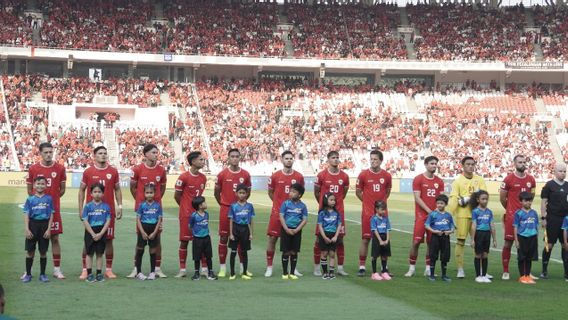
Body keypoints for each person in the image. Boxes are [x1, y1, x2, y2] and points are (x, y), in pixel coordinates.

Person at [78, 146, 123, 280]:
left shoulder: (113, 171)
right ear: (94, 156)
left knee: (109, 240)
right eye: (100, 153)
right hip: (91, 213)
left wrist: (119, 206)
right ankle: (85, 269)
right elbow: (81, 190)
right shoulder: (88, 172)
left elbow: (118, 189)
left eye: (105, 153)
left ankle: (108, 269)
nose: (103, 155)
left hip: (107, 213)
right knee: (88, 242)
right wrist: (80, 208)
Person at [25, 142, 67, 280]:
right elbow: (30, 191)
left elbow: (62, 190)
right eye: (46, 152)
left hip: (53, 211)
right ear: (40, 153)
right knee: (33, 241)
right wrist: (39, 204)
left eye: (51, 152)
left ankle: (56, 270)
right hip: (36, 213)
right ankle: (28, 272)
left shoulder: (60, 168)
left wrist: (50, 202)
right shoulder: (33, 168)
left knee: (55, 238)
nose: (49, 154)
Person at [127, 144, 167, 278]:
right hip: (142, 210)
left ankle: (157, 268)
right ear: (146, 154)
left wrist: (156, 201)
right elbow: (132, 188)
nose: (156, 154)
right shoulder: (137, 169)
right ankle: (136, 268)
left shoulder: (161, 170)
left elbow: (162, 188)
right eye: (153, 152)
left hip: (156, 210)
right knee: (140, 240)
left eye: (157, 152)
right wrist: (140, 201)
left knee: (157, 239)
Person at [266, 151, 304, 277]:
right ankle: (269, 267)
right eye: (286, 158)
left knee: (293, 241)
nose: (289, 160)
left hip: (293, 215)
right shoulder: (275, 176)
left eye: (291, 158)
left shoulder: (299, 177)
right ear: (282, 160)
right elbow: (271, 193)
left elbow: (300, 194)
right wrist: (279, 206)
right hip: (278, 213)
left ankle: (294, 268)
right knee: (272, 239)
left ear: (293, 160)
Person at [447, 156, 486, 279]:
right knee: (461, 241)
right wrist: (451, 214)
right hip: (463, 215)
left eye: (472, 164)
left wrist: (468, 198)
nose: (470, 166)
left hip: (478, 216)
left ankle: (481, 270)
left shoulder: (479, 180)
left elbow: (484, 196)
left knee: (479, 242)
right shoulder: (458, 181)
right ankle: (460, 269)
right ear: (462, 166)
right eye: (468, 164)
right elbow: (454, 199)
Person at [405, 156, 444, 278]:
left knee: (431, 244)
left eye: (435, 164)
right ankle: (411, 268)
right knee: (416, 242)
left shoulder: (440, 181)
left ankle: (428, 268)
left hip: (434, 218)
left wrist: (437, 212)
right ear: (426, 164)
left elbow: (441, 199)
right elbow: (417, 198)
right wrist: (429, 211)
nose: (434, 166)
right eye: (431, 163)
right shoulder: (418, 179)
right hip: (422, 216)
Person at [214, 149, 251, 278]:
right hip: (226, 208)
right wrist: (224, 205)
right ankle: (223, 268)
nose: (234, 158)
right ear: (228, 158)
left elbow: (248, 192)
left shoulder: (245, 174)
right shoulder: (222, 174)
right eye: (232, 156)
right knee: (223, 238)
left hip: (241, 210)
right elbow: (216, 193)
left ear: (239, 158)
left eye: (237, 156)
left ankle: (242, 268)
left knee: (242, 239)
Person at [499, 155, 535, 280]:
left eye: (524, 162)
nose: (522, 164)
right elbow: (502, 198)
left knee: (526, 245)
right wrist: (510, 210)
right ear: (514, 164)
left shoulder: (531, 179)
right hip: (512, 217)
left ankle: (526, 272)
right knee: (508, 243)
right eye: (520, 162)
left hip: (526, 218)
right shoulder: (508, 179)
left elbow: (532, 196)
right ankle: (505, 271)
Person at [356, 150, 391, 277]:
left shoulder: (387, 176)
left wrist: (380, 208)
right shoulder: (363, 175)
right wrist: (367, 203)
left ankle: (384, 267)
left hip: (382, 214)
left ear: (381, 161)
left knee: (383, 239)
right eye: (371, 159)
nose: (373, 161)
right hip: (368, 214)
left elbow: (387, 192)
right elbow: (358, 192)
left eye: (375, 159)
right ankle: (362, 266)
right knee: (365, 239)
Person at [314, 151, 349, 276]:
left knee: (340, 239)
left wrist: (335, 205)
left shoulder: (344, 176)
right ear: (328, 160)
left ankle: (340, 268)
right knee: (319, 239)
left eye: (337, 157)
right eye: (333, 158)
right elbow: (317, 193)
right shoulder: (321, 175)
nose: (336, 160)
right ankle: (317, 267)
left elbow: (343, 193)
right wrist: (324, 206)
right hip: (324, 212)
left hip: (339, 212)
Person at [174, 151, 207, 278]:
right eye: (201, 159)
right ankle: (182, 270)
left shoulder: (203, 177)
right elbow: (177, 196)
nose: (203, 162)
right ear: (193, 161)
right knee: (184, 241)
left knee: (202, 241)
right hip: (187, 215)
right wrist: (185, 208)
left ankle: (204, 268)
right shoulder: (183, 177)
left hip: (200, 215)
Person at [22, 177, 54, 283]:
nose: (40, 186)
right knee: (30, 251)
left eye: (42, 184)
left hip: (44, 226)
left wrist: (49, 229)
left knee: (43, 252)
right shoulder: (30, 199)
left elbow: (51, 215)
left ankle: (43, 274)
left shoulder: (49, 199)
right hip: (33, 225)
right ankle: (28, 274)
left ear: (46, 185)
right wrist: (27, 229)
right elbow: (26, 214)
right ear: (34, 185)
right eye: (38, 184)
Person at [540, 163, 568, 279]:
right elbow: (543, 202)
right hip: (552, 219)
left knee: (565, 245)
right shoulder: (549, 185)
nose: (563, 173)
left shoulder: (567, 185)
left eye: (564, 171)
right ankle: (544, 271)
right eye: (561, 171)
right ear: (555, 172)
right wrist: (543, 218)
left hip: (565, 219)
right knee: (549, 245)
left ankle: (566, 272)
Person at [81, 183, 112, 283]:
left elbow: (108, 221)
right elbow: (85, 220)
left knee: (99, 254)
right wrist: (93, 233)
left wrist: (101, 233)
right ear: (91, 194)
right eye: (95, 192)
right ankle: (89, 274)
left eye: (99, 192)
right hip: (90, 231)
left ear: (103, 194)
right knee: (89, 253)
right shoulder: (87, 206)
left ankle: (99, 274)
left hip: (101, 231)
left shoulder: (106, 207)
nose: (97, 194)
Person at [134, 184, 163, 281]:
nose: (149, 195)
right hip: (143, 229)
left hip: (153, 230)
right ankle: (138, 272)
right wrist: (142, 232)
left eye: (151, 193)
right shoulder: (141, 205)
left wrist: (155, 232)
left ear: (154, 193)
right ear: (144, 193)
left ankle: (152, 272)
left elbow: (159, 219)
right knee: (140, 250)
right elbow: (138, 218)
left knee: (153, 251)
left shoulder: (157, 206)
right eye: (147, 193)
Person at [280, 183, 308, 280]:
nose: (290, 193)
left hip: (296, 231)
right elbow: (281, 217)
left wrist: (296, 229)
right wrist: (286, 229)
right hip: (286, 230)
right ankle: (284, 272)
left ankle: (292, 272)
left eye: (293, 192)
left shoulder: (303, 206)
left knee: (294, 251)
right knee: (285, 251)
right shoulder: (285, 203)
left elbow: (304, 220)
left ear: (299, 194)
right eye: (290, 191)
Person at [425, 194, 454, 282]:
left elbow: (452, 226)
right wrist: (434, 231)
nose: (439, 205)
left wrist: (450, 231)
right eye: (438, 203)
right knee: (433, 255)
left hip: (445, 237)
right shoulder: (433, 214)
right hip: (435, 237)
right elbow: (427, 225)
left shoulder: (448, 215)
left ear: (445, 204)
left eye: (441, 203)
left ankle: (444, 275)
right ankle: (432, 275)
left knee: (445, 256)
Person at [228, 184, 255, 280]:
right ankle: (232, 273)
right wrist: (231, 233)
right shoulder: (233, 206)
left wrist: (251, 233)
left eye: (244, 193)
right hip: (236, 229)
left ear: (247, 194)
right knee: (233, 251)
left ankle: (244, 272)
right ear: (236, 194)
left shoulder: (250, 206)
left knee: (244, 252)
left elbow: (251, 220)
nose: (242, 195)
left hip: (245, 230)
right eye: (240, 193)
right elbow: (231, 220)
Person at [470, 190, 497, 283]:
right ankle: (478, 275)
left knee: (485, 254)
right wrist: (472, 239)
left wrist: (494, 239)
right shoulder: (475, 211)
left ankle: (484, 275)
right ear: (478, 200)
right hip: (479, 233)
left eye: (486, 199)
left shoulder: (489, 212)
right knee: (478, 254)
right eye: (483, 199)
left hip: (487, 234)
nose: (485, 201)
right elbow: (473, 225)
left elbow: (492, 225)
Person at [189, 196, 217, 281]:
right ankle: (196, 273)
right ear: (200, 206)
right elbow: (190, 226)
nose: (206, 203)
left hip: (206, 238)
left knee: (209, 256)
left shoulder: (207, 214)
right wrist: (195, 233)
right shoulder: (194, 215)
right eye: (204, 202)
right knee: (197, 256)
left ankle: (210, 272)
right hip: (197, 239)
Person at [514, 192, 539, 285]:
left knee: (529, 258)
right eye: (526, 201)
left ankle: (527, 276)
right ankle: (522, 276)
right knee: (521, 257)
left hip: (532, 237)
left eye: (530, 201)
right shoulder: (518, 213)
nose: (528, 202)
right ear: (521, 201)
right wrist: (516, 240)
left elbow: (536, 226)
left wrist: (536, 237)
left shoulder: (534, 213)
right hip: (522, 237)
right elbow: (515, 227)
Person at [317, 193, 342, 280]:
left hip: (333, 235)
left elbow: (339, 225)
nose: (333, 202)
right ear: (325, 201)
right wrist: (324, 237)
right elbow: (320, 226)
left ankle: (331, 272)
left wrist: (335, 236)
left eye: (334, 200)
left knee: (332, 254)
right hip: (324, 234)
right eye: (331, 200)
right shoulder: (322, 213)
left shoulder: (337, 213)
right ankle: (325, 272)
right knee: (324, 253)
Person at [370, 201, 392, 281]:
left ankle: (384, 271)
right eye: (382, 209)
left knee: (384, 255)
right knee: (375, 255)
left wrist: (387, 239)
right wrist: (380, 240)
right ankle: (374, 273)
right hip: (377, 238)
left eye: (384, 209)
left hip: (384, 237)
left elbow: (388, 229)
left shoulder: (386, 218)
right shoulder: (374, 219)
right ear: (376, 209)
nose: (384, 211)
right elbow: (374, 230)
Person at [561, 215, 568, 281]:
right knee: (567, 258)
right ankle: (567, 274)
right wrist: (565, 241)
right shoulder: (566, 218)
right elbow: (565, 230)